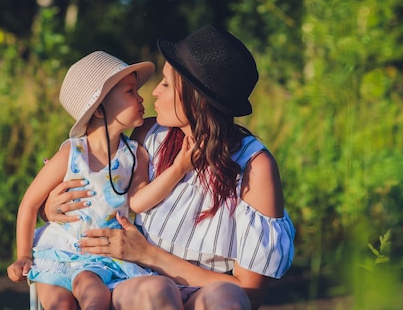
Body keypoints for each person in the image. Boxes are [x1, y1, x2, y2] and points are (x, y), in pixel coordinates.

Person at [42, 24, 296, 310]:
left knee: (228, 298)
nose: (153, 94)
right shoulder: (148, 136)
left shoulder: (253, 167)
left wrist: (150, 254)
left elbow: (250, 294)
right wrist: (51, 207)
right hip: (137, 284)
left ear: (195, 98)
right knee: (158, 291)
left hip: (201, 292)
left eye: (165, 84)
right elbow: (97, 182)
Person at [7, 51, 196, 310]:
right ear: (98, 110)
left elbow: (138, 202)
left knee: (94, 297)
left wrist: (178, 169)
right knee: (59, 305)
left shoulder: (134, 155)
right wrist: (23, 255)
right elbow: (29, 203)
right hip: (60, 250)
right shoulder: (71, 155)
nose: (142, 97)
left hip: (101, 256)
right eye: (130, 91)